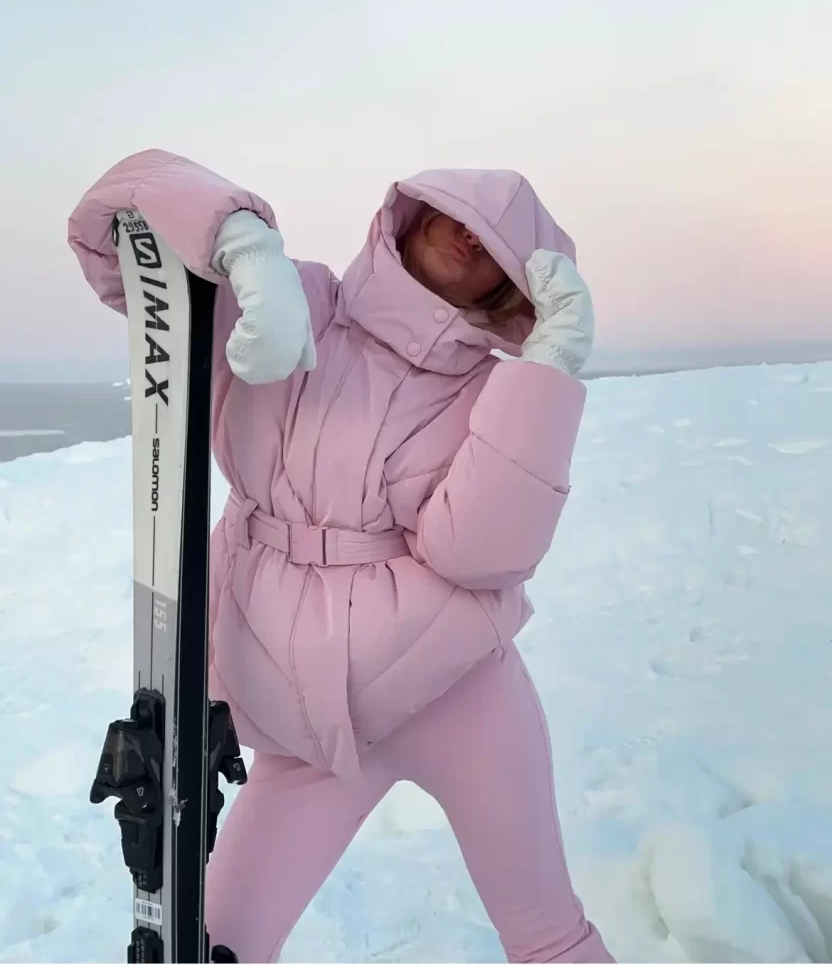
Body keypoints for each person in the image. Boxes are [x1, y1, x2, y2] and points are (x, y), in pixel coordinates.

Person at [68, 150, 612, 964]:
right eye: (455, 214)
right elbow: (121, 243)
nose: (468, 238)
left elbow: (476, 554)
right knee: (209, 945)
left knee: (548, 936)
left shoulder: (491, 391)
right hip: (308, 724)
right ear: (410, 213)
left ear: (515, 289)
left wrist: (545, 380)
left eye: (495, 245)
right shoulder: (303, 301)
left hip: (459, 698)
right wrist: (241, 242)